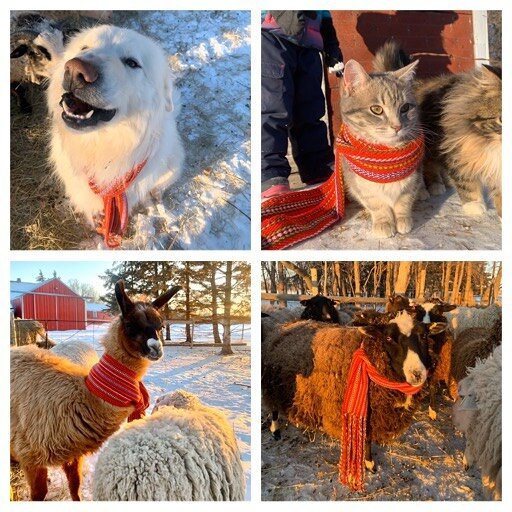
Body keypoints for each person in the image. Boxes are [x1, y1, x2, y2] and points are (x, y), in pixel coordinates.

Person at [261, 11, 343, 199]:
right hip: (273, 38)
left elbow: (325, 15)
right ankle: (270, 172)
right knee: (275, 107)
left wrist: (332, 48)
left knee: (311, 108)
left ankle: (317, 164)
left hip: (310, 45)